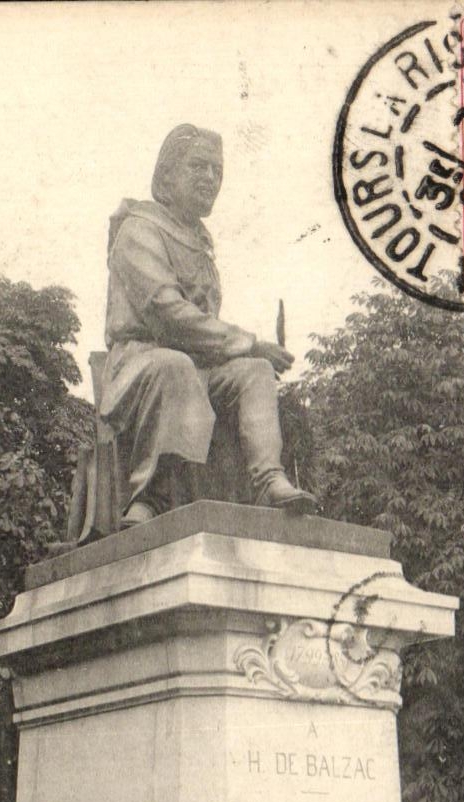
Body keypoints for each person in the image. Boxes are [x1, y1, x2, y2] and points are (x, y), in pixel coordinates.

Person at [101, 124, 317, 525]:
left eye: (217, 171)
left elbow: (202, 326)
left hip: (194, 367)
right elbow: (167, 315)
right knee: (176, 365)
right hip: (139, 364)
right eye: (198, 167)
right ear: (166, 176)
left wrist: (251, 353)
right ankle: (150, 498)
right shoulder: (139, 229)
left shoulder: (200, 242)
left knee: (254, 371)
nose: (210, 179)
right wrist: (248, 341)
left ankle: (269, 480)